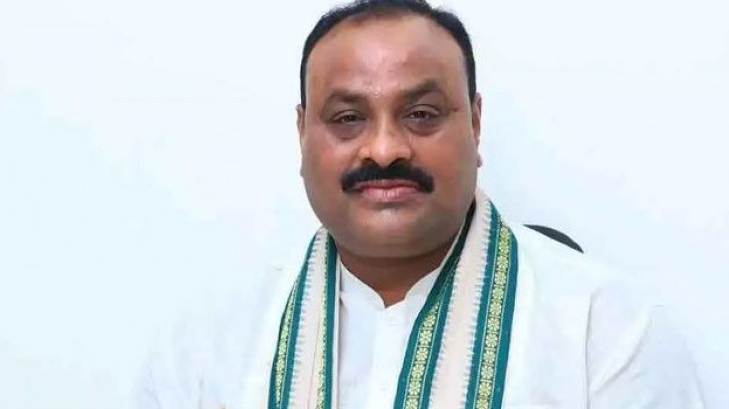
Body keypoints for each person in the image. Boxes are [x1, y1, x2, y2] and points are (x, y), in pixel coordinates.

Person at [135, 1, 704, 407]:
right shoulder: (207, 349)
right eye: (348, 118)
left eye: (421, 115)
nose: (385, 149)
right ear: (302, 132)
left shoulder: (605, 331)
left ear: (475, 124)